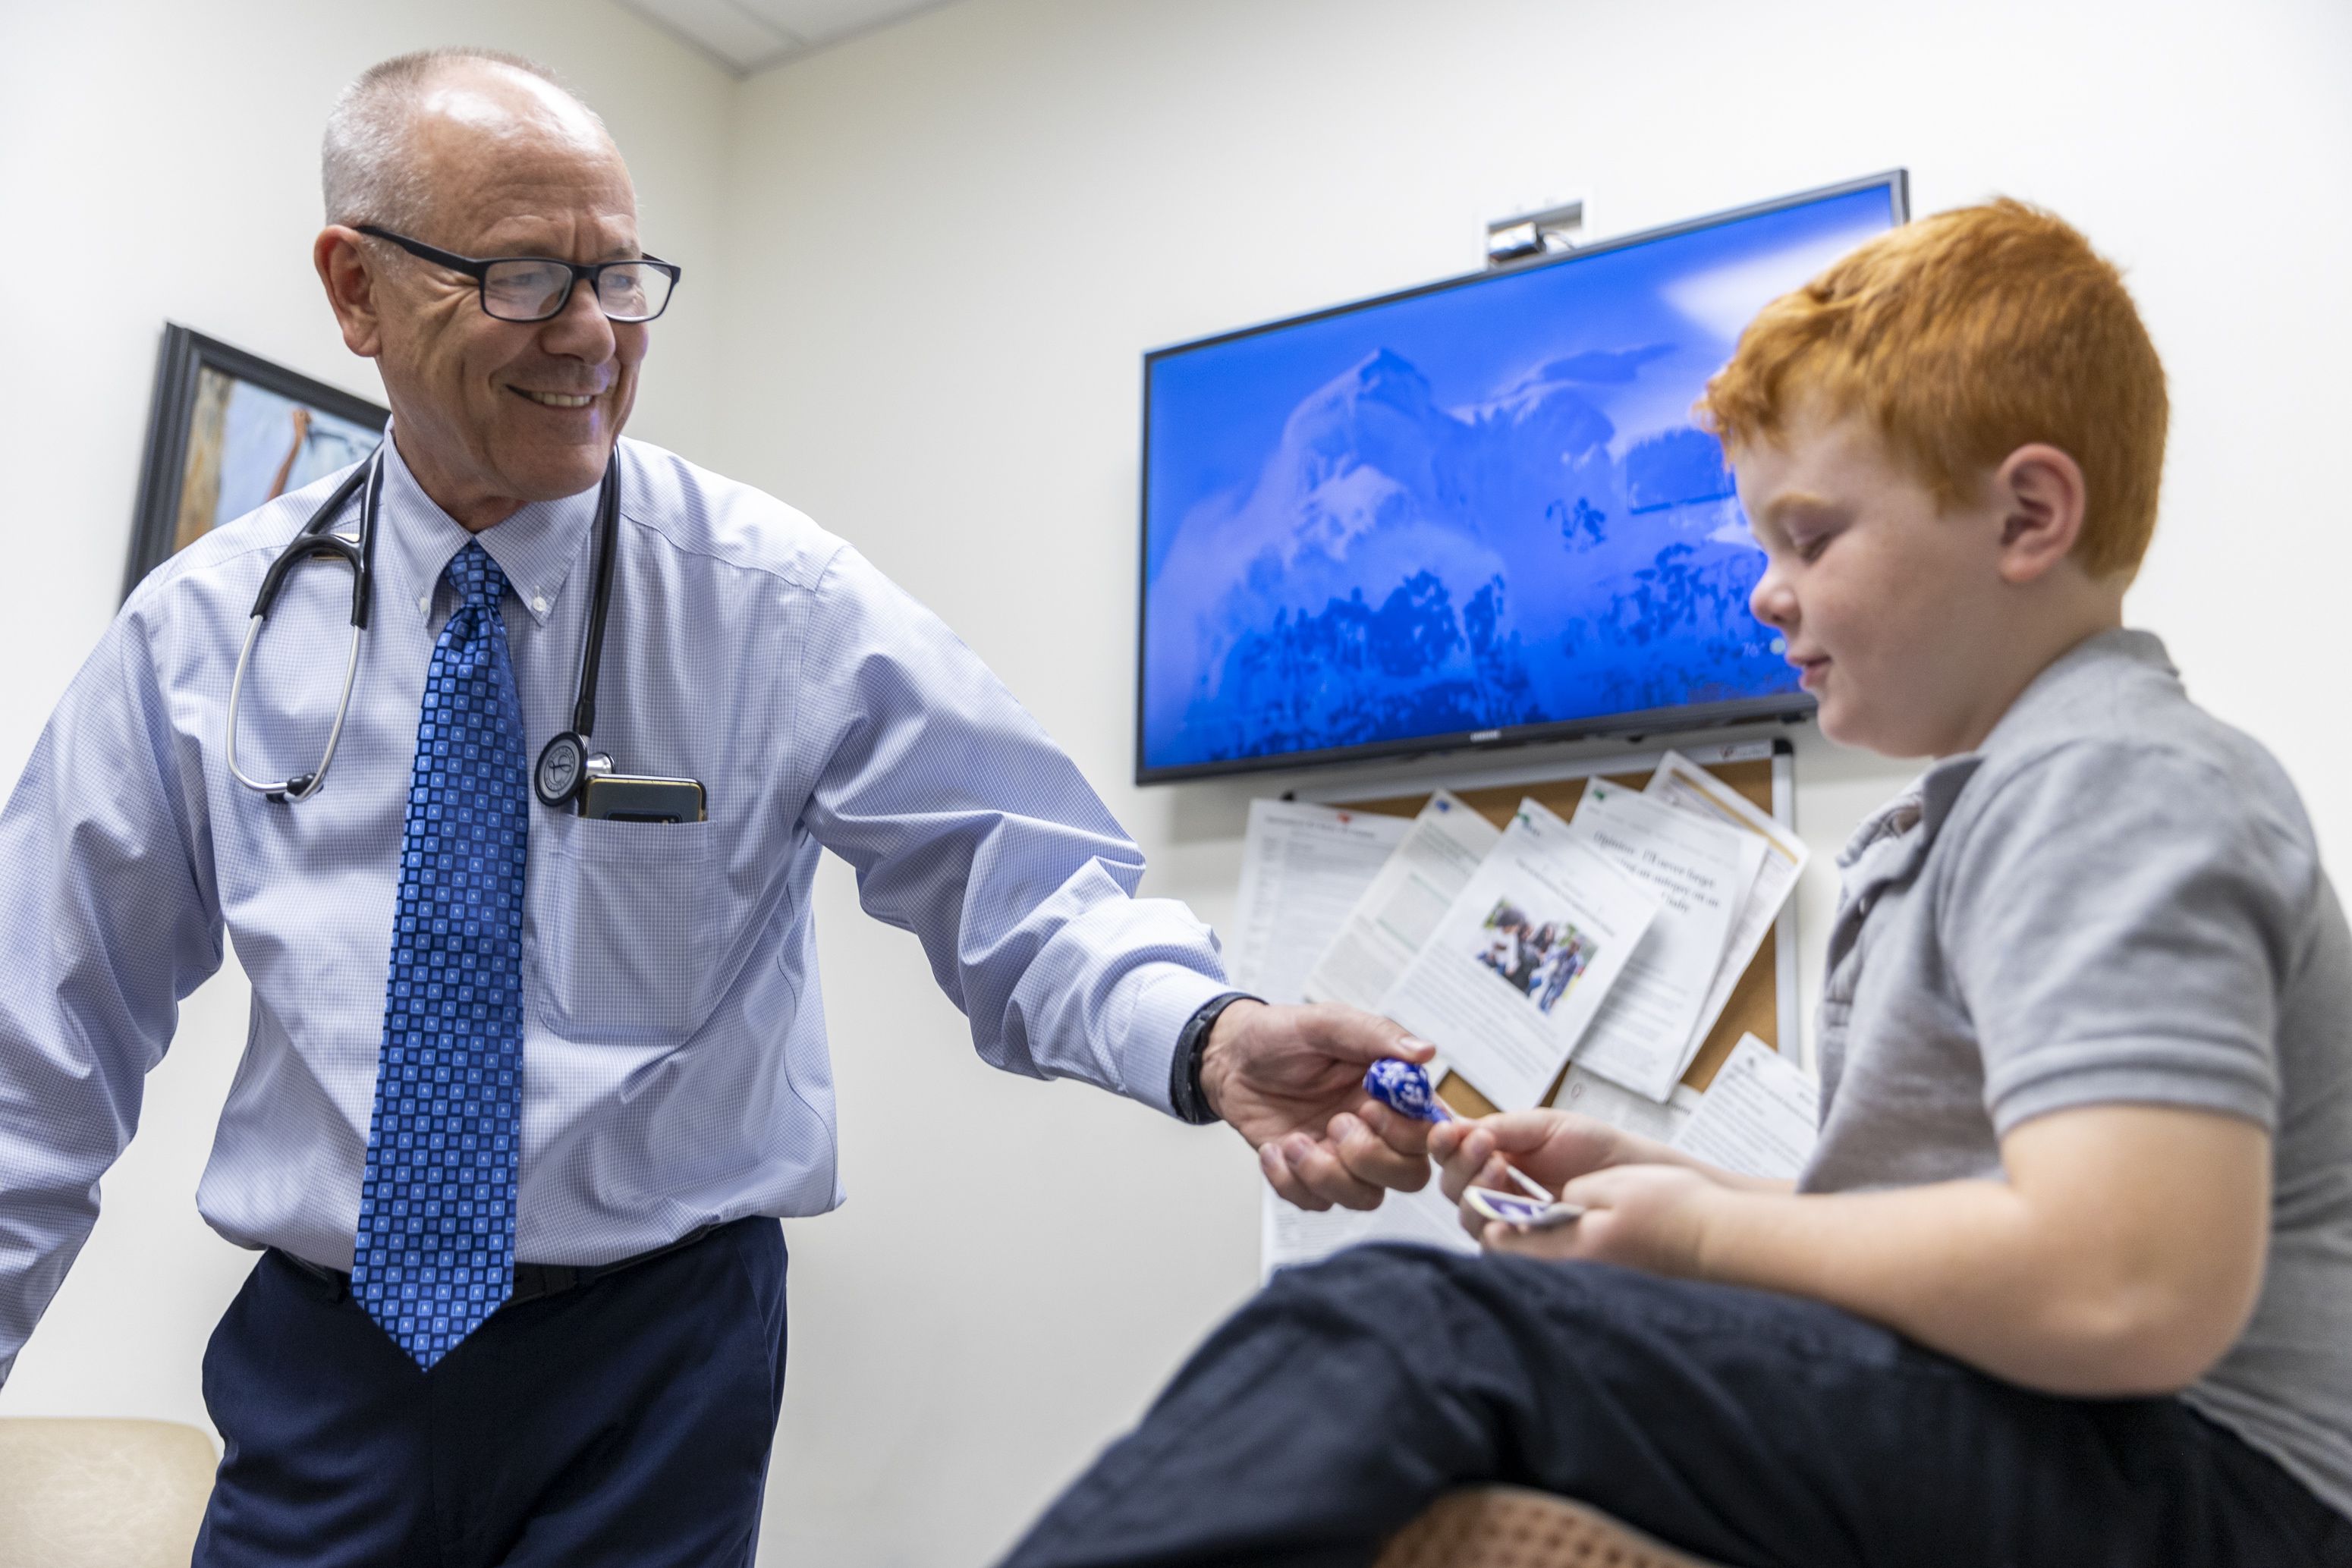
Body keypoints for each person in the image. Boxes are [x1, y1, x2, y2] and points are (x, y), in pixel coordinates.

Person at [0, 48, 1426, 1567]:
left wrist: (1208, 1034)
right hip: (330, 1363)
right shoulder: (202, 632)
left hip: (659, 1363)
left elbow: (1028, 891)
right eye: (527, 275)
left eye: (620, 277)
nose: (591, 336)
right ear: (356, 291)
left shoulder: (774, 602)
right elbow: (37, 1048)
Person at [995, 200, 2352, 1566]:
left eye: (1811, 540)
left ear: (2028, 514)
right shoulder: (2003, 807)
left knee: (1395, 1324)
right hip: (2116, 1456)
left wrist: (1707, 1238)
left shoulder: (2111, 781)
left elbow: (2124, 1286)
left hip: (2219, 1492)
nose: (1765, 594)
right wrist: (1683, 1198)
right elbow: (1985, 1248)